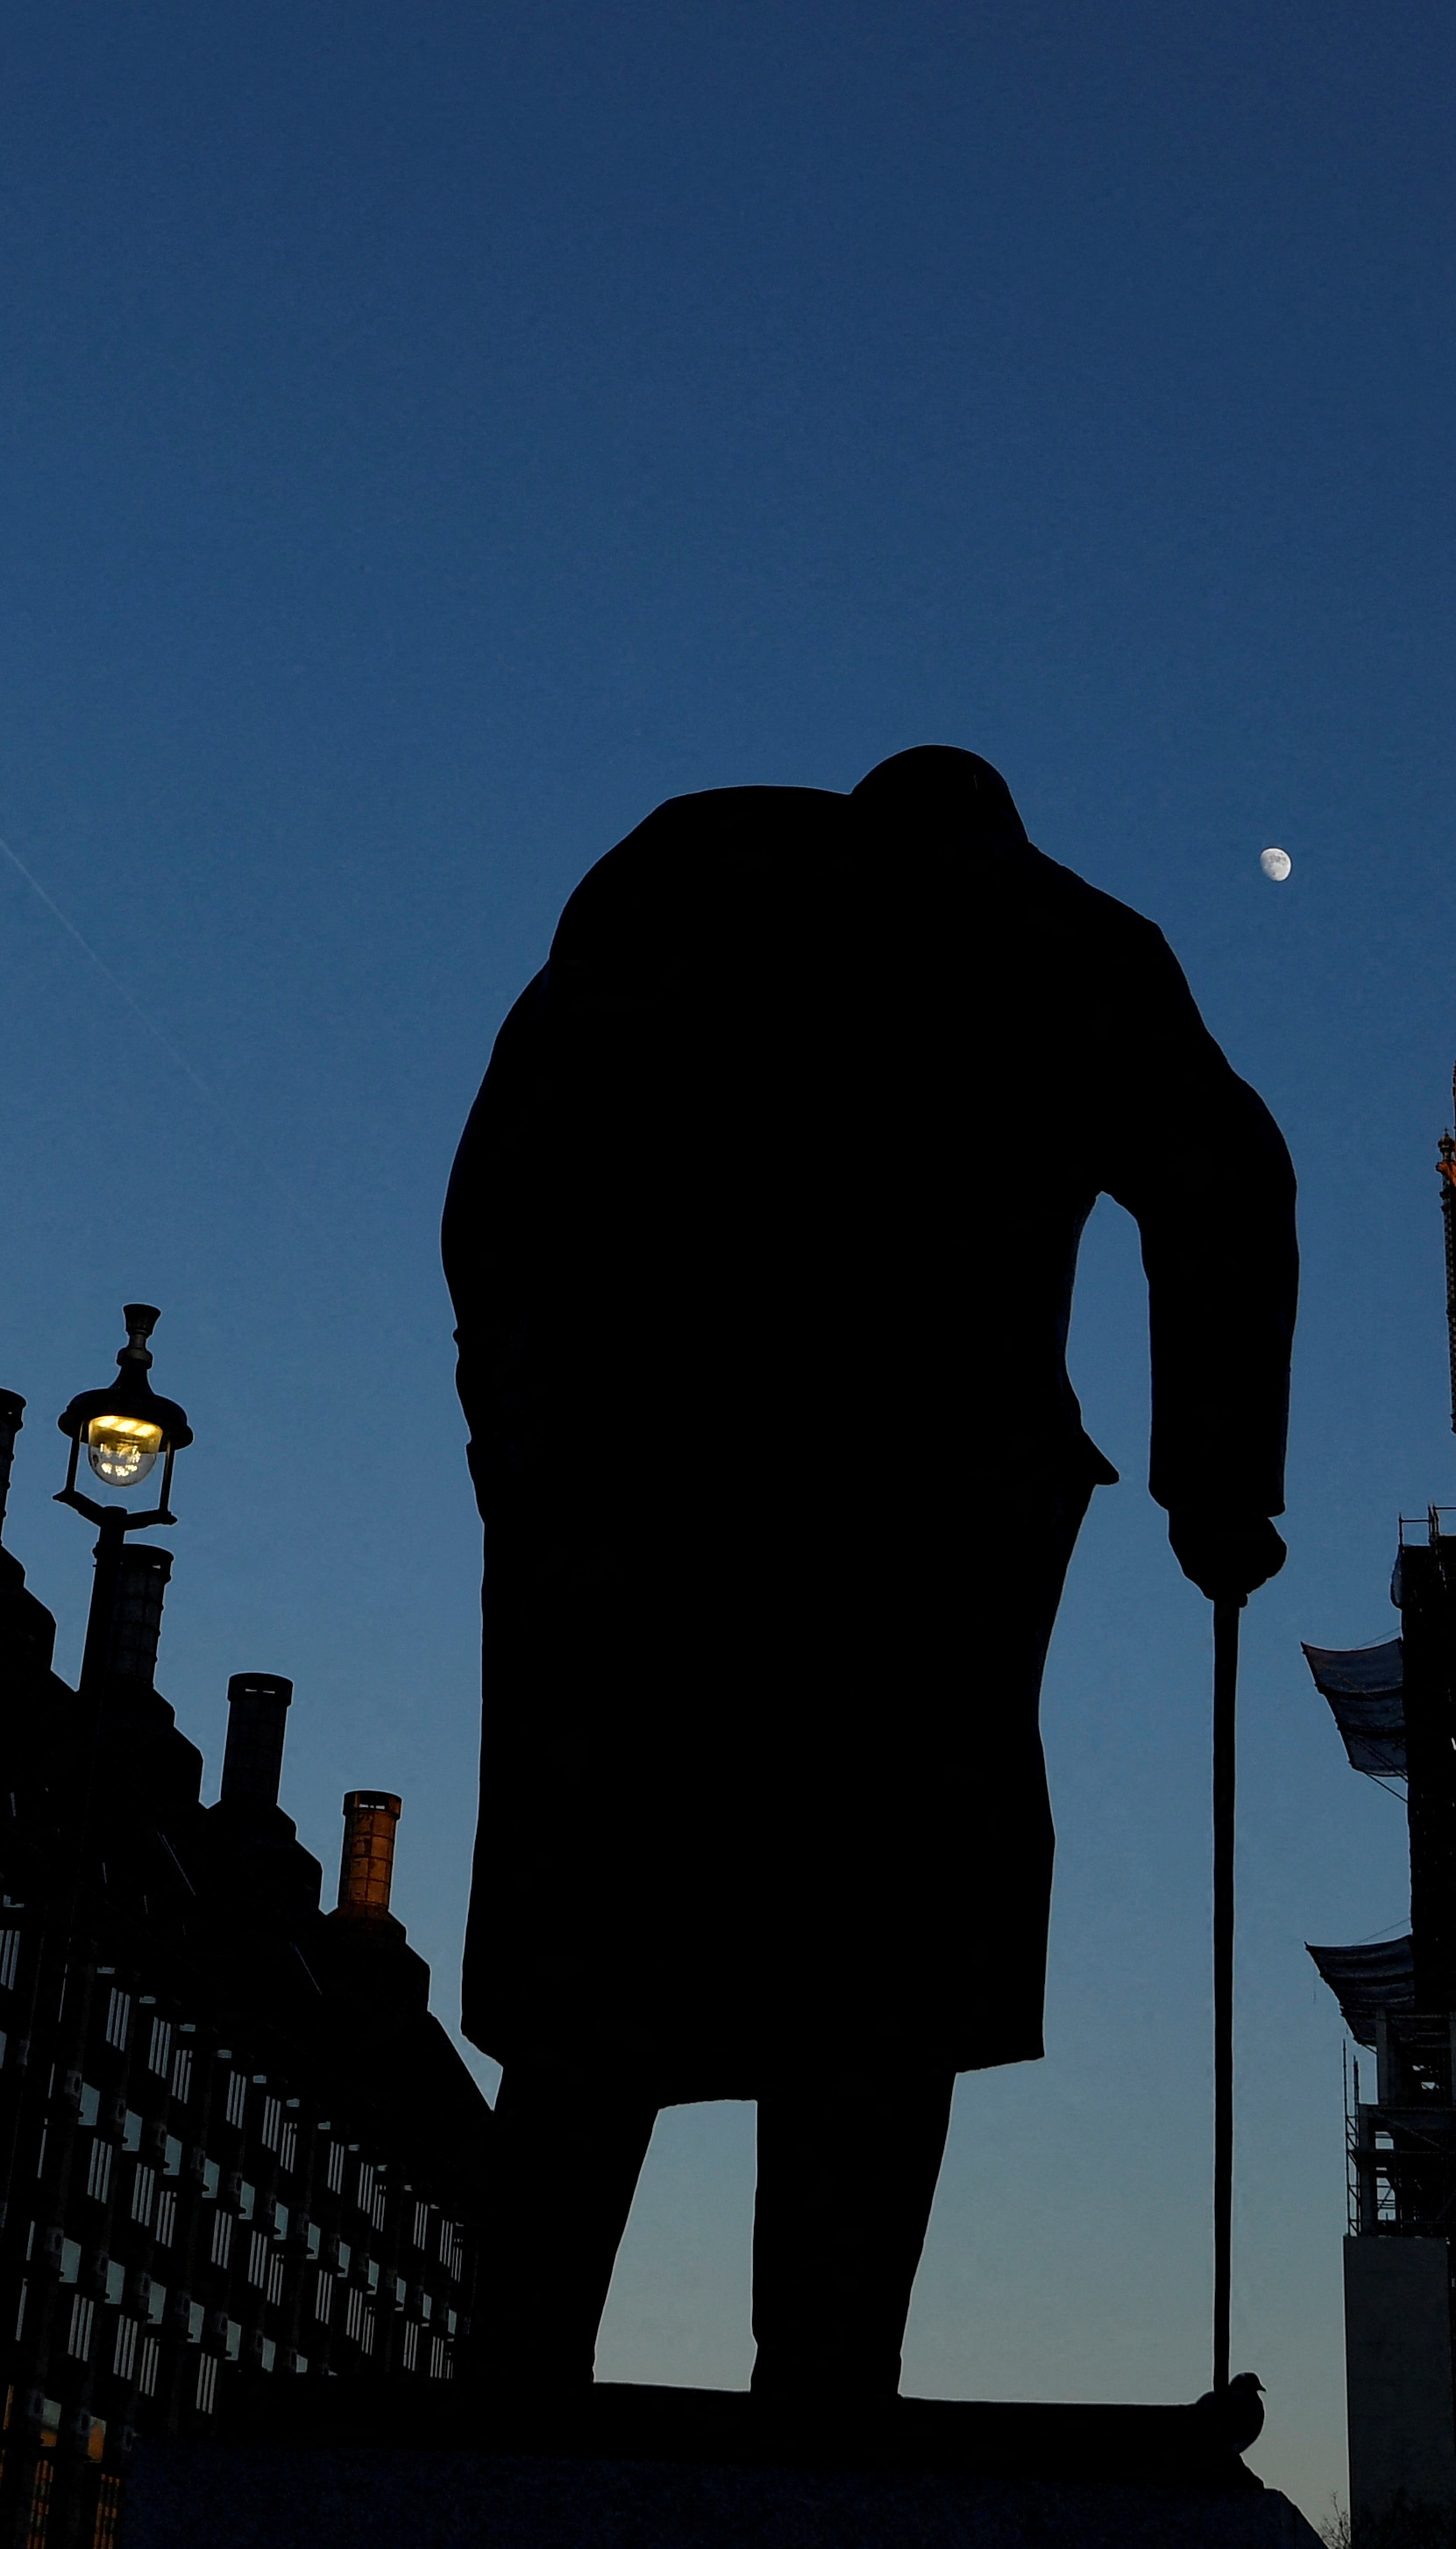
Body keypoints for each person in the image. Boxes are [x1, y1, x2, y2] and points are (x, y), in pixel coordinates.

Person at [444, 744, 1295, 2401]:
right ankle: (828, 2383)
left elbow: (508, 1175)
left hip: (646, 1482)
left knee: (599, 1937)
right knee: (880, 1953)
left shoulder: (686, 874)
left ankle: (517, 2368)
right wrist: (1214, 1488)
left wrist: (519, 1429)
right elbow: (1225, 1181)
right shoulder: (1061, 939)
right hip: (924, 1509)